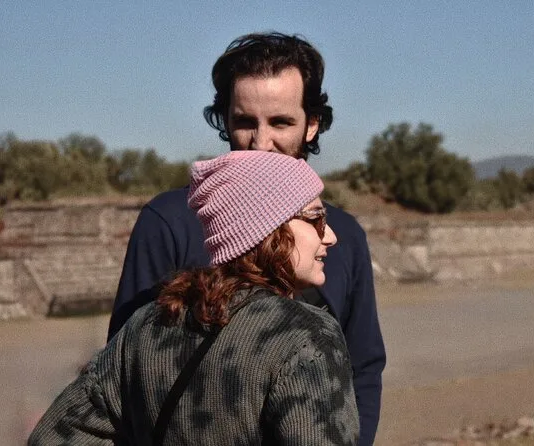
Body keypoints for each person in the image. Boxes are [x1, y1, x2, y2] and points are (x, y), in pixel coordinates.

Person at [108, 32, 385, 444]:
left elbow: (362, 368)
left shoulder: (341, 235)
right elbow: (122, 378)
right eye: (244, 122)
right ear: (225, 121)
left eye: (280, 122)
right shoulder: (168, 221)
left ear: (311, 125)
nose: (260, 143)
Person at [29, 151, 360, 445]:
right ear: (269, 230)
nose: (330, 236)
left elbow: (52, 437)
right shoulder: (307, 336)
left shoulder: (147, 323)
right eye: (316, 218)